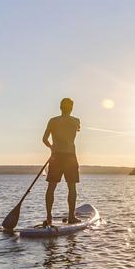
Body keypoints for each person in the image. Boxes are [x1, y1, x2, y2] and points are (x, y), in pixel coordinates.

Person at [42, 97, 81, 226]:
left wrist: (51, 146)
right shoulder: (76, 121)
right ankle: (71, 217)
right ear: (71, 108)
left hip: (56, 156)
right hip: (70, 156)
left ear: (60, 107)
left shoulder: (53, 121)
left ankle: (49, 217)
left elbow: (44, 139)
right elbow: (77, 129)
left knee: (51, 187)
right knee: (72, 187)